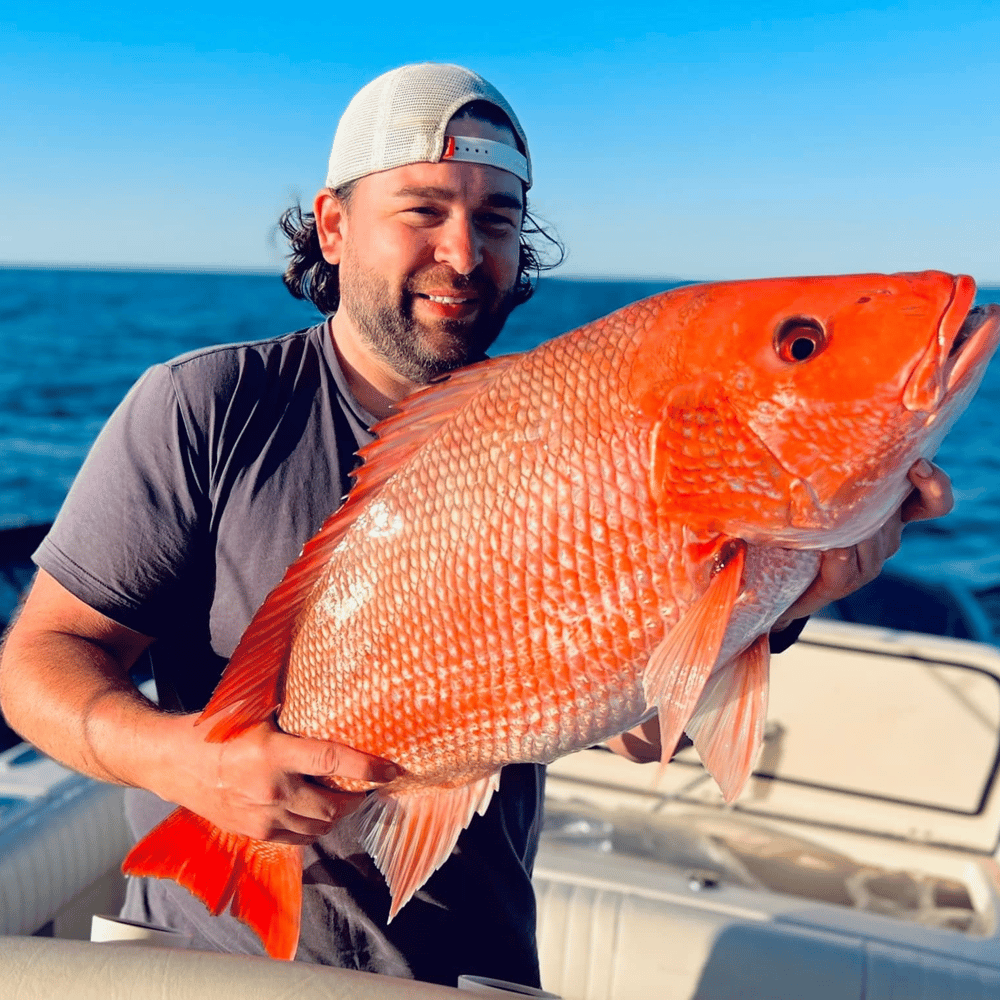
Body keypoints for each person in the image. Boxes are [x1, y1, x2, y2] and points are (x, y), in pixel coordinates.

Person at [0, 63, 953, 986]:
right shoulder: (205, 406)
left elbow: (628, 721)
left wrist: (779, 601)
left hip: (473, 969)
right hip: (203, 966)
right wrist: (185, 764)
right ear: (332, 225)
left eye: (496, 219)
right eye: (422, 209)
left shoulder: (559, 426)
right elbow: (39, 660)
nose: (463, 254)